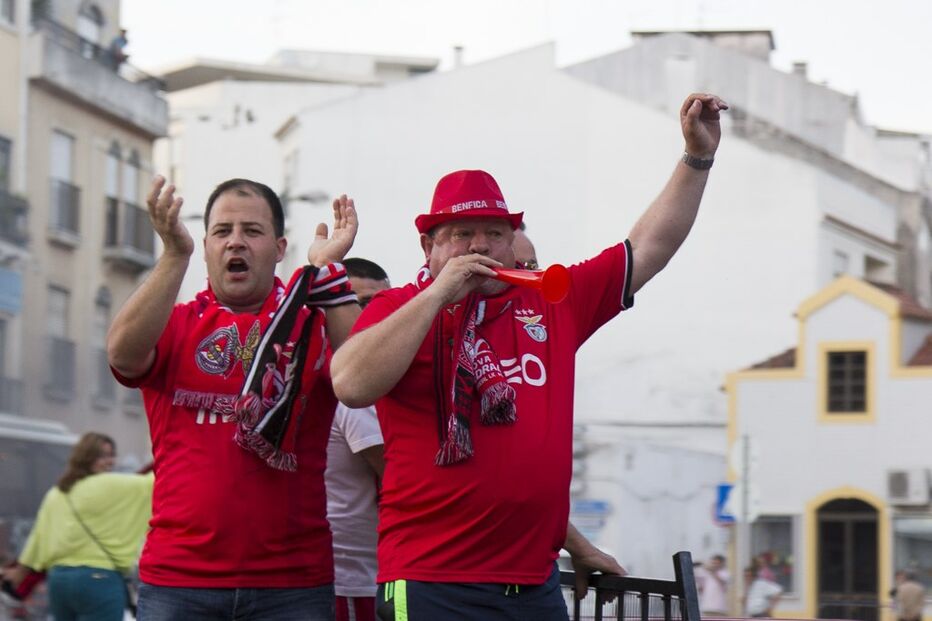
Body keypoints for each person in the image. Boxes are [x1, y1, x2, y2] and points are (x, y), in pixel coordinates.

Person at [330, 92, 727, 619]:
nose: (480, 246)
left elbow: (648, 247)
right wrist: (437, 296)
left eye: (495, 233)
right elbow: (352, 384)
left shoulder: (549, 299)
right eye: (461, 235)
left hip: (533, 584)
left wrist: (697, 158)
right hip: (427, 579)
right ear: (429, 250)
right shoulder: (398, 307)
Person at [107, 176, 360, 620]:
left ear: (280, 248)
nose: (235, 243)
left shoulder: (311, 326)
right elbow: (123, 354)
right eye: (222, 232)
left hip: (293, 585)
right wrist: (174, 255)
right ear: (205, 246)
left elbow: (364, 373)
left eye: (252, 231)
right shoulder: (176, 322)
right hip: (179, 582)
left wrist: (329, 273)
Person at [1, 433, 153, 621]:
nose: (110, 462)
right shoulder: (116, 485)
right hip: (99, 580)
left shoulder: (58, 491)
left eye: (112, 455)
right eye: (103, 456)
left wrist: (21, 572)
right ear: (87, 457)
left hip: (59, 580)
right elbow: (157, 482)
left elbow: (38, 538)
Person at [327, 257, 391, 621]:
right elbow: (403, 478)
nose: (375, 315)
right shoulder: (354, 390)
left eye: (382, 302)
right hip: (353, 583)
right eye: (360, 303)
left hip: (358, 578)